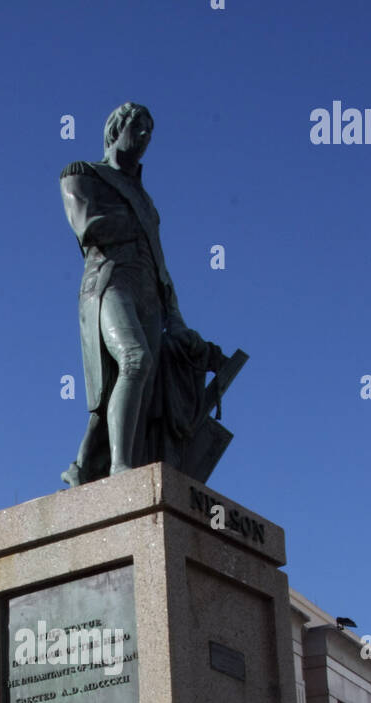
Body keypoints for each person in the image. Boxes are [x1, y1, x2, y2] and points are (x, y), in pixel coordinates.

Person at [60, 102, 226, 487]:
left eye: (151, 131)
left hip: (149, 292)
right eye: (139, 127)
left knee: (139, 382)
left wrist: (178, 321)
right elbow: (88, 226)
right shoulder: (84, 173)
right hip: (108, 281)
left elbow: (161, 266)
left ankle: (84, 464)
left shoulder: (148, 204)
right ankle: (121, 469)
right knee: (134, 360)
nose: (146, 137)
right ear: (116, 128)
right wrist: (132, 218)